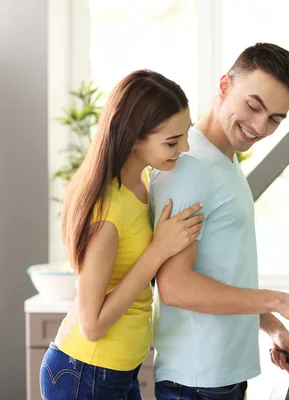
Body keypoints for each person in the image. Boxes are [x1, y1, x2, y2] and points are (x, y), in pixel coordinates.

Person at [149, 43, 289, 400]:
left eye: (275, 118)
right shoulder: (190, 167)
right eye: (253, 106)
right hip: (196, 381)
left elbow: (223, 275)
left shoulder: (224, 161)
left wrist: (274, 328)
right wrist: (280, 301)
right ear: (224, 86)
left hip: (219, 376)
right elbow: (175, 286)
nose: (260, 127)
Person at [40, 69, 204, 400]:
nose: (184, 147)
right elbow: (92, 324)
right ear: (133, 138)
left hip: (116, 370)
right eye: (172, 141)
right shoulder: (108, 211)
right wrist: (158, 251)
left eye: (186, 134)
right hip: (85, 372)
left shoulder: (141, 184)